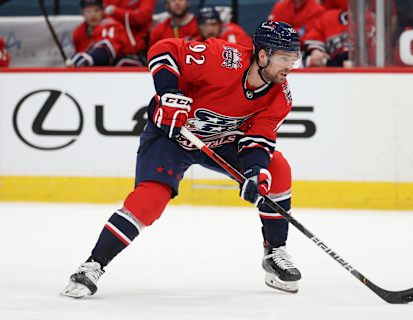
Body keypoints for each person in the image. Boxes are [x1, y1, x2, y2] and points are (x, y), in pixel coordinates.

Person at [61, 20, 302, 298]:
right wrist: (169, 94)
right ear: (262, 55)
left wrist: (255, 170)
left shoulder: (280, 97)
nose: (290, 66)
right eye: (284, 58)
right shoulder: (223, 59)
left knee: (276, 168)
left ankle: (274, 253)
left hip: (222, 142)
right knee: (150, 199)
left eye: (293, 58)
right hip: (171, 136)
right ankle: (93, 265)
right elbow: (164, 50)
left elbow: (257, 140)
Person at [71, 0, 142, 67]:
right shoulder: (78, 32)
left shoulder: (112, 25)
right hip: (100, 67)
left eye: (96, 10)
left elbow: (107, 49)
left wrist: (91, 58)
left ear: (103, 11)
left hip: (125, 63)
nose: (93, 15)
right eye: (88, 11)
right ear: (82, 13)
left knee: (120, 62)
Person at [304, 0, 349, 67]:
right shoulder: (329, 17)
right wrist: (316, 51)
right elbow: (315, 55)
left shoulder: (369, 20)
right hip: (334, 73)